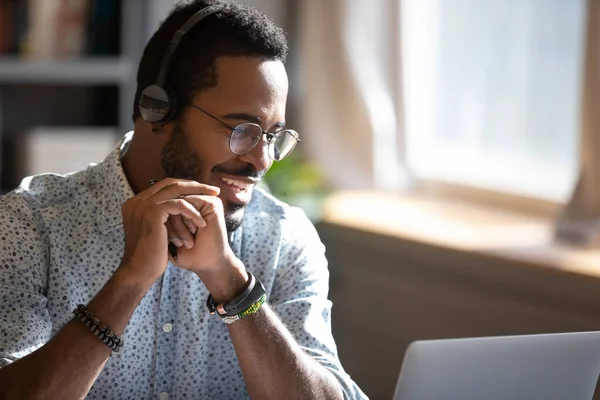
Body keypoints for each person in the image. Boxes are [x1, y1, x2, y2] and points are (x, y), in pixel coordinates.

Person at [0, 1, 368, 399]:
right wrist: (129, 281)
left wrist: (231, 283)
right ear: (157, 111)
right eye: (241, 129)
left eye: (273, 134)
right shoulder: (28, 226)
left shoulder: (283, 237)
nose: (261, 160)